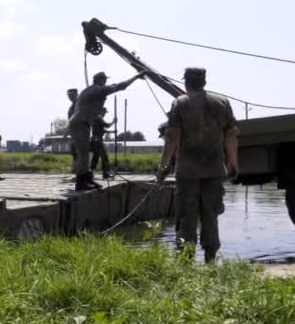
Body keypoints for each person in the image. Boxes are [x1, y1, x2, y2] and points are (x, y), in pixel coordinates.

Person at [157, 67, 239, 263]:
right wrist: (233, 162)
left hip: (187, 172)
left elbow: (172, 137)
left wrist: (163, 166)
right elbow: (231, 134)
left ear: (186, 82)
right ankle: (211, 260)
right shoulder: (222, 102)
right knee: (210, 214)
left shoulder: (180, 103)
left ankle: (186, 260)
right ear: (204, 82)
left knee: (187, 216)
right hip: (214, 170)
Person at [69, 71, 145, 191]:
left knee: (85, 153)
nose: (106, 83)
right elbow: (121, 86)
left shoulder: (90, 90)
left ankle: (87, 179)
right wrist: (136, 77)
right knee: (83, 154)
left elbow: (113, 85)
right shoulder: (98, 90)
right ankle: (81, 182)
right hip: (80, 123)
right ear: (101, 80)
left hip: (81, 123)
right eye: (105, 80)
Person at [90, 107, 115, 179]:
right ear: (101, 111)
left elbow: (103, 130)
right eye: (104, 112)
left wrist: (112, 132)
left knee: (96, 157)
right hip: (97, 140)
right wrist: (113, 122)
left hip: (95, 139)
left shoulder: (96, 119)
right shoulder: (99, 118)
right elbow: (107, 125)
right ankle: (105, 173)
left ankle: (92, 172)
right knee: (104, 157)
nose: (104, 114)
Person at [66, 88, 78, 173]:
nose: (70, 97)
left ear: (76, 94)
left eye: (72, 95)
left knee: (79, 152)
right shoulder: (72, 106)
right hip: (73, 132)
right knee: (74, 152)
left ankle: (80, 172)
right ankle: (76, 170)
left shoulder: (79, 104)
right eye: (69, 95)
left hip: (80, 131)